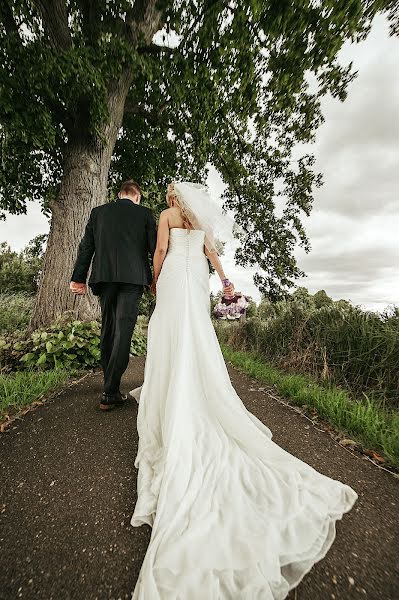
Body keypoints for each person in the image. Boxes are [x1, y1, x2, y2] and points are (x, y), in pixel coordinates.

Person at [128, 181, 358, 599]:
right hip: (196, 278)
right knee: (196, 332)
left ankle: (175, 387)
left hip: (176, 277)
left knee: (171, 328)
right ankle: (196, 383)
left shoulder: (166, 217)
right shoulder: (199, 221)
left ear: (171, 199)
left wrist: (156, 279)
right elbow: (213, 255)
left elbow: (159, 252)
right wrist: (225, 282)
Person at [70, 180, 157, 411]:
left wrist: (78, 278)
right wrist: (157, 279)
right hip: (133, 279)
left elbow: (86, 246)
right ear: (137, 197)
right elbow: (154, 248)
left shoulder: (98, 213)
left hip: (105, 277)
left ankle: (109, 385)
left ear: (119, 194)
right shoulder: (145, 215)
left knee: (107, 328)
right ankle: (110, 391)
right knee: (123, 331)